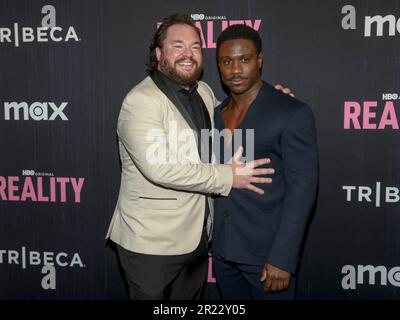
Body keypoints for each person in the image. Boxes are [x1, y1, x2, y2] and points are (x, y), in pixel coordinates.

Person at [105, 14, 294, 300]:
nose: (188, 54)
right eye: (177, 45)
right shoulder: (141, 102)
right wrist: (229, 176)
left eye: (195, 47)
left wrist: (270, 99)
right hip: (151, 246)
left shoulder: (203, 92)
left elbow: (234, 115)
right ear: (158, 54)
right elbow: (161, 168)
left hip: (196, 241)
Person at [212, 24, 319, 300]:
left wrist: (283, 258)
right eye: (227, 61)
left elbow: (303, 189)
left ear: (260, 60)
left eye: (244, 60)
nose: (235, 70)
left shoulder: (291, 112)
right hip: (223, 253)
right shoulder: (214, 114)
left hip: (267, 258)